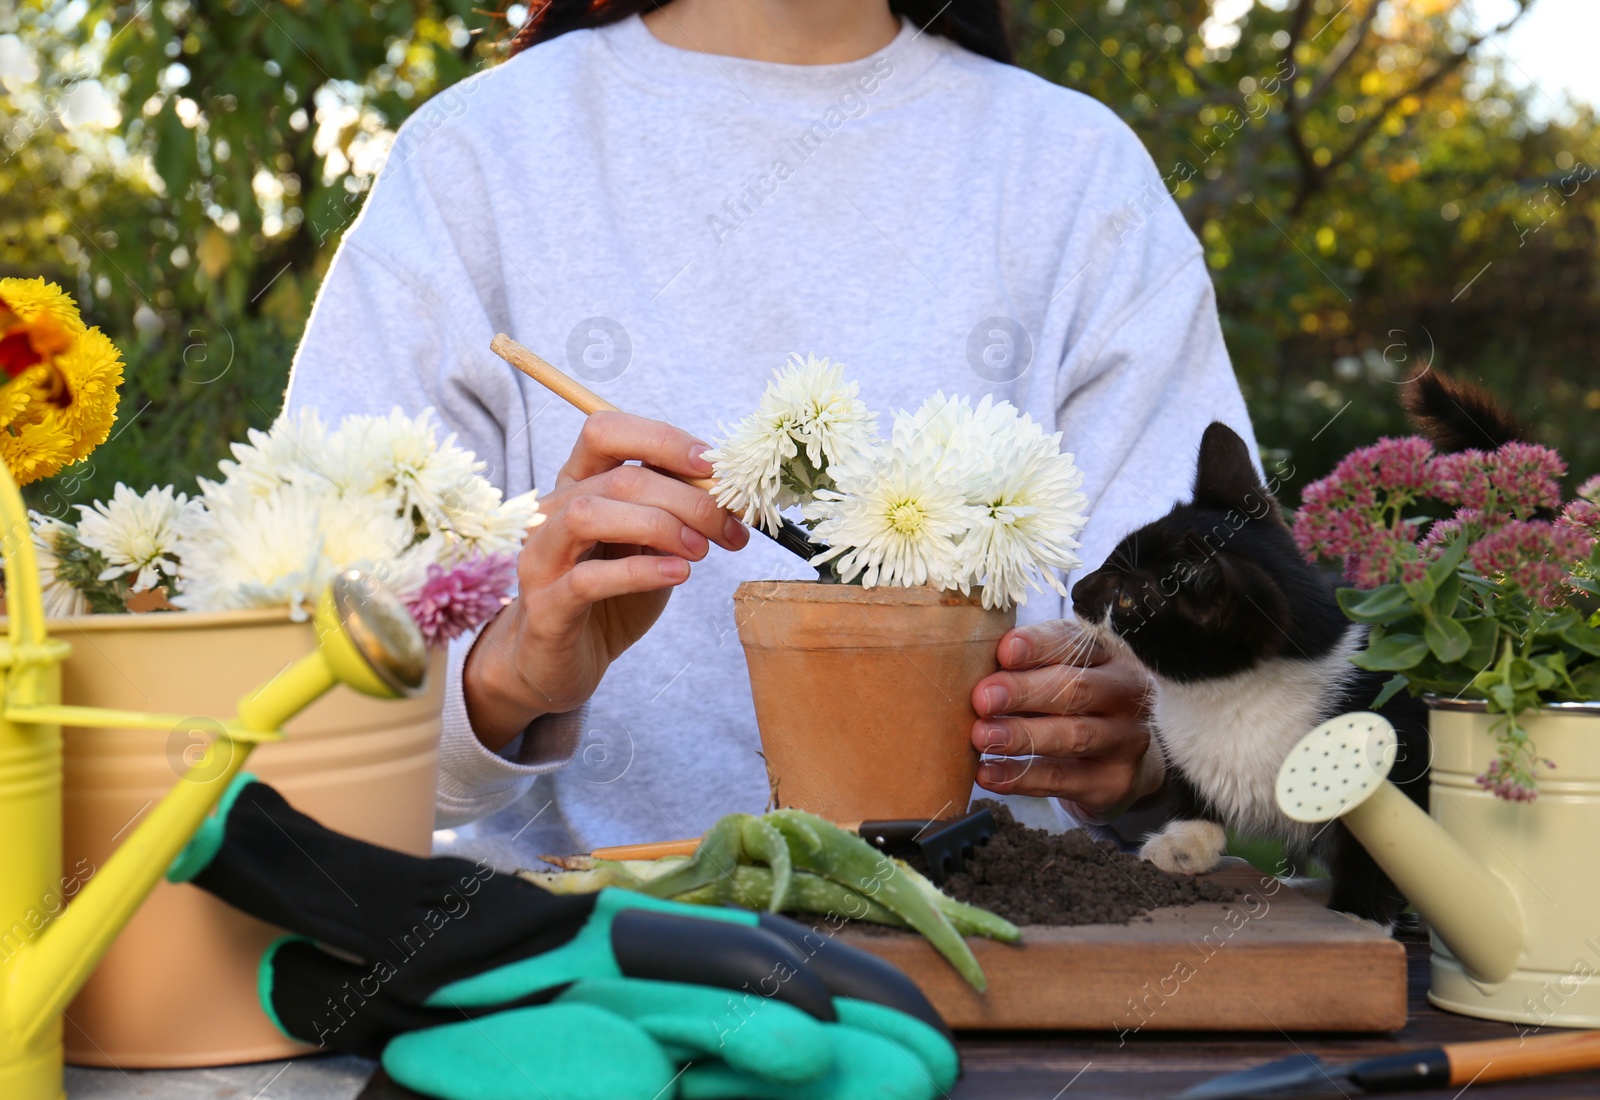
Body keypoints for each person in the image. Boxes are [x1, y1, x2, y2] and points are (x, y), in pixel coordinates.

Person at [283, 0, 1256, 860]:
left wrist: (1144, 752)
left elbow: (1237, 707)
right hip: (571, 987)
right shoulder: (474, 159)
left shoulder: (1077, 174)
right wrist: (504, 676)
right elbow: (299, 734)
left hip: (1011, 997)